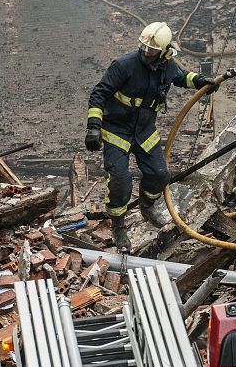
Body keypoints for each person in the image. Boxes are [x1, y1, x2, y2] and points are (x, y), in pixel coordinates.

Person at [84, 22, 217, 251]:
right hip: (117, 131)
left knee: (160, 174)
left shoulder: (167, 65)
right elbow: (99, 93)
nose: (146, 52)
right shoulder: (124, 65)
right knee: (120, 180)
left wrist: (200, 81)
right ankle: (118, 226)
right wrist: (94, 127)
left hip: (144, 131)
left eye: (152, 50)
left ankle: (147, 207)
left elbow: (180, 76)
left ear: (165, 52)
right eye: (144, 48)